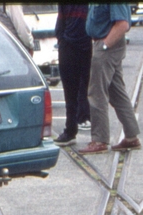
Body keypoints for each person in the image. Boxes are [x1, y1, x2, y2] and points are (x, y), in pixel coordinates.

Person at [82, 4, 141, 153]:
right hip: (104, 43)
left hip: (107, 44)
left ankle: (99, 140)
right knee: (117, 92)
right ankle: (131, 136)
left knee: (97, 93)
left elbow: (122, 24)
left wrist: (104, 46)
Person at [54, 5, 93, 145]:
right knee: (70, 92)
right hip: (68, 47)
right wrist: (62, 40)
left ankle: (87, 121)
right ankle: (70, 129)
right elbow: (61, 21)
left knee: (89, 89)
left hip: (88, 46)